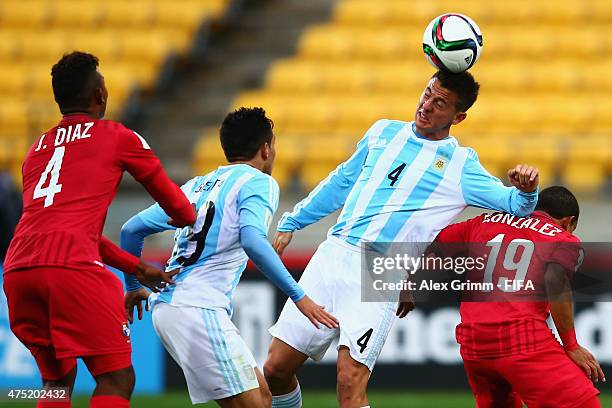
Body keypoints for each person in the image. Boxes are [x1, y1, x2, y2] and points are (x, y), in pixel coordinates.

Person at [263, 70, 541, 408]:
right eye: (427, 94)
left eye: (439, 103)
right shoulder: (383, 132)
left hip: (379, 269)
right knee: (275, 369)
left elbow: (515, 205)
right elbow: (342, 181)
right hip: (332, 254)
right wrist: (295, 220)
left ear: (459, 116)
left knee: (349, 384)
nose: (426, 105)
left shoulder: (460, 165)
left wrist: (527, 190)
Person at [2, 51, 196, 408]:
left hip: (18, 269)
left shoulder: (36, 150)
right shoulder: (117, 137)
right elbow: (182, 211)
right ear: (100, 95)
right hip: (73, 269)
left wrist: (137, 268)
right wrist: (188, 214)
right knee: (116, 378)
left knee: (56, 381)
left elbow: (66, 230)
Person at [121, 107, 338, 408]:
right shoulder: (258, 182)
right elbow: (252, 239)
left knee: (263, 395)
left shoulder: (196, 185)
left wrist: (132, 286)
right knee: (257, 403)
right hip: (196, 307)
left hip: (175, 307)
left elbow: (130, 230)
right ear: (265, 149)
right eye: (273, 146)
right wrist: (299, 295)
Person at [433, 186, 603, 408]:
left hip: (473, 344)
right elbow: (555, 282)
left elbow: (431, 242)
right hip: (522, 340)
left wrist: (407, 284)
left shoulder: (484, 222)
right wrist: (571, 345)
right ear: (568, 222)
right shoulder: (563, 239)